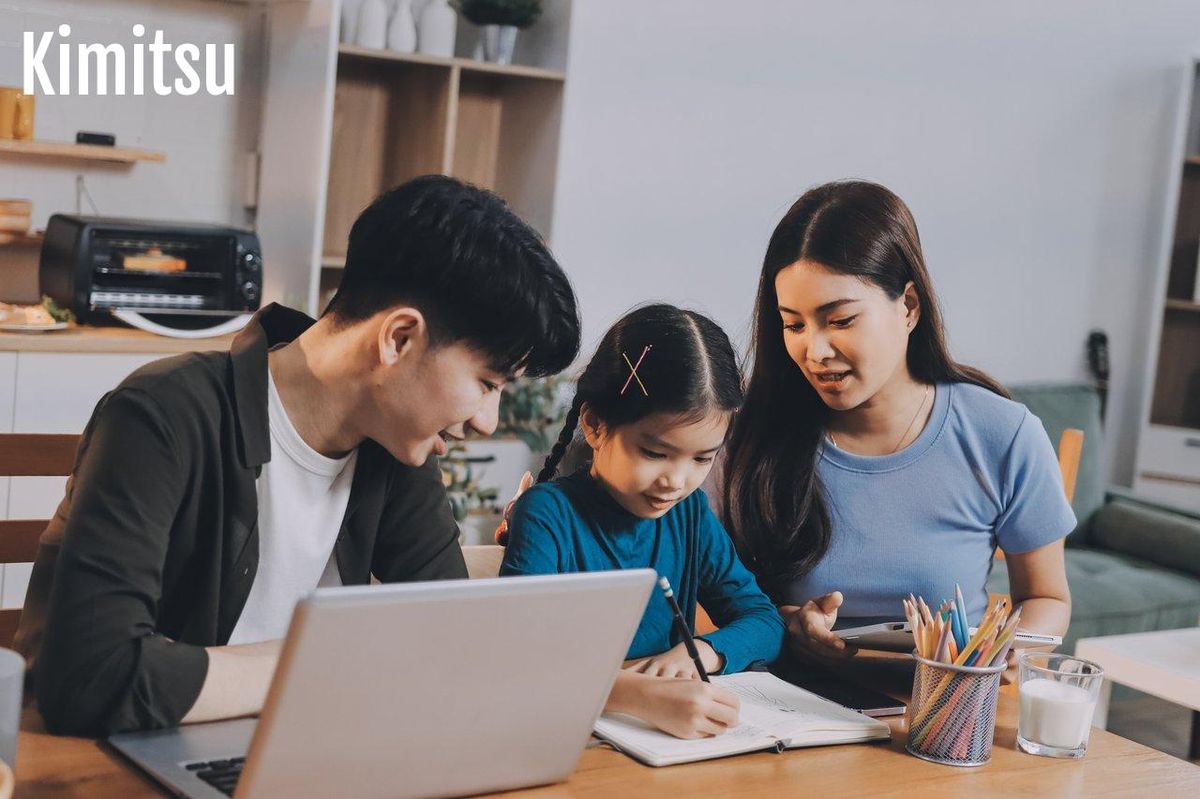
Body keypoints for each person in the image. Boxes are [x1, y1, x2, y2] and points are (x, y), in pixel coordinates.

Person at [16, 175, 582, 735]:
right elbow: (90, 676)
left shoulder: (394, 450)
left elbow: (451, 640)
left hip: (306, 749)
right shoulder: (163, 415)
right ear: (399, 339)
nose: (488, 420)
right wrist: (325, 663)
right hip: (137, 762)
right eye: (488, 383)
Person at [717, 180, 1072, 677]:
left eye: (839, 320)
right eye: (794, 325)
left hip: (939, 720)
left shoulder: (1001, 434)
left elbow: (1046, 596)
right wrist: (785, 624)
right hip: (785, 716)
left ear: (908, 306)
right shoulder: (748, 436)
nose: (814, 351)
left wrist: (1012, 651)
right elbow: (700, 599)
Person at [500, 304, 784, 740]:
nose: (676, 480)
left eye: (702, 458)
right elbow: (516, 655)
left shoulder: (688, 515)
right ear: (594, 425)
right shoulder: (547, 514)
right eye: (654, 453)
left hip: (665, 745)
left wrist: (701, 654)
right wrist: (636, 695)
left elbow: (763, 621)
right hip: (567, 738)